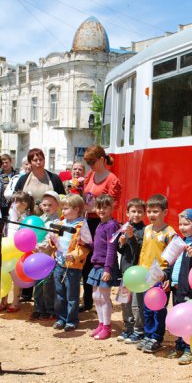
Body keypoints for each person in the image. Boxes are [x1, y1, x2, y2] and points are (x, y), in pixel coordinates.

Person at [80, 145, 122, 313]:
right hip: (88, 221)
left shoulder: (112, 179)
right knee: (86, 261)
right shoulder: (90, 175)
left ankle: (103, 298)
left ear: (102, 160)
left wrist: (95, 209)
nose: (90, 165)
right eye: (88, 162)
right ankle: (89, 299)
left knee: (101, 260)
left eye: (93, 162)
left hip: (102, 223)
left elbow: (115, 204)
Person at [136, 194, 176, 354]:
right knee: (146, 308)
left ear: (165, 212)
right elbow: (143, 251)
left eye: (156, 211)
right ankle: (148, 333)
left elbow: (173, 257)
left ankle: (157, 337)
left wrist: (168, 276)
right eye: (149, 212)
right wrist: (139, 269)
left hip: (159, 276)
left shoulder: (169, 233)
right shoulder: (146, 229)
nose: (151, 215)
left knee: (158, 308)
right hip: (145, 275)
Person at [166, 208, 192, 365]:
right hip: (176, 287)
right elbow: (170, 261)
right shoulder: (178, 241)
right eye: (180, 224)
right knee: (179, 317)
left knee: (190, 320)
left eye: (186, 224)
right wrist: (167, 277)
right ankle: (179, 346)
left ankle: (190, 350)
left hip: (189, 289)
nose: (182, 227)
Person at [52, 194, 90, 331]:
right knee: (59, 294)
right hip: (59, 264)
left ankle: (71, 320)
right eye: (63, 208)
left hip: (73, 267)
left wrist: (74, 255)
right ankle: (61, 318)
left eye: (66, 208)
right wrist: (52, 240)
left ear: (76, 209)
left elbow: (85, 246)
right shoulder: (61, 223)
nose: (63, 211)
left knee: (72, 295)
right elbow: (56, 240)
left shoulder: (82, 226)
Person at [86, 194, 120, 341]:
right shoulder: (100, 224)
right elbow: (98, 245)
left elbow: (111, 249)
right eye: (99, 207)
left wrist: (107, 269)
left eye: (105, 207)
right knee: (96, 297)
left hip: (106, 267)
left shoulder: (112, 225)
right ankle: (100, 324)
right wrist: (87, 244)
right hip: (96, 265)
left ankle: (107, 327)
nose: (101, 210)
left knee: (104, 297)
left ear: (112, 208)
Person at [117, 198, 147, 344]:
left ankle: (138, 330)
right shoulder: (125, 226)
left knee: (136, 303)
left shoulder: (144, 230)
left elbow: (139, 251)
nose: (136, 214)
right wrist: (121, 243)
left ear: (144, 213)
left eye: (140, 211)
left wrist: (131, 237)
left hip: (137, 273)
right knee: (124, 301)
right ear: (128, 212)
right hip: (125, 271)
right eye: (133, 211)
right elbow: (122, 251)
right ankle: (128, 327)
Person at [1, 191, 35, 313]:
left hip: (19, 252)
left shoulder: (27, 218)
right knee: (5, 275)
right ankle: (3, 300)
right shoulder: (10, 215)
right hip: (7, 249)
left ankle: (15, 301)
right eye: (15, 201)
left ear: (27, 203)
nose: (17, 204)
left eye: (21, 201)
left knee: (16, 277)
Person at [31, 190, 60, 321]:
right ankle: (38, 308)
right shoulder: (39, 219)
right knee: (37, 282)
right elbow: (33, 233)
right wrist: (34, 245)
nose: (47, 208)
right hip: (37, 255)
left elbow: (53, 236)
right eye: (44, 205)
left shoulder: (58, 221)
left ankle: (49, 309)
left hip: (49, 255)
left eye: (50, 205)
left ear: (57, 205)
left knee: (48, 284)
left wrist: (45, 245)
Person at [12, 148, 66, 216]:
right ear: (30, 162)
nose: (39, 162)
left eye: (41, 159)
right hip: (27, 219)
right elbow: (15, 200)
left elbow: (62, 199)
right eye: (35, 160)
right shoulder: (23, 179)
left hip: (50, 219)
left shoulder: (54, 179)